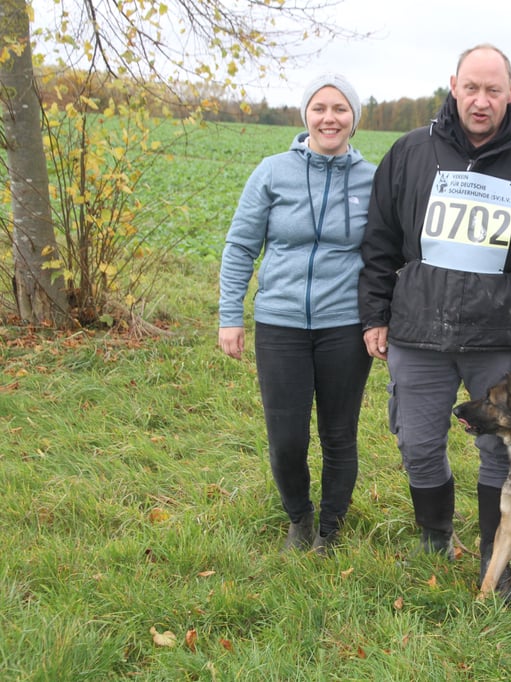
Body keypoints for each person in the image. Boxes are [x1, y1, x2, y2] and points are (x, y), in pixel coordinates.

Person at [359, 44, 511, 598]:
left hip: (499, 334)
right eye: (472, 89)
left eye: (493, 90)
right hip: (417, 329)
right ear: (454, 85)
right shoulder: (411, 152)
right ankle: (435, 536)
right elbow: (380, 239)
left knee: (498, 449)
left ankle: (493, 554)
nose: (481, 102)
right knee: (416, 442)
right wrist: (374, 315)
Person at [218, 73, 375, 555]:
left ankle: (330, 526)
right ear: (305, 114)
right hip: (280, 323)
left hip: (344, 326)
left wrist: (384, 318)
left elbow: (388, 254)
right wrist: (231, 315)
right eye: (320, 107)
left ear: (353, 118)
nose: (330, 117)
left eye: (341, 108)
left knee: (338, 432)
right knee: (286, 437)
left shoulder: (373, 179)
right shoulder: (272, 172)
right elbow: (241, 245)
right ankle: (299, 518)